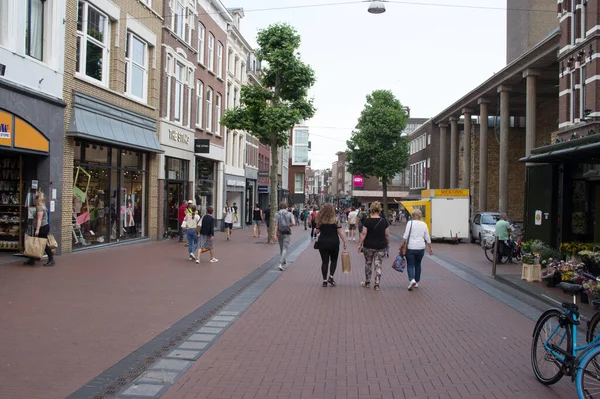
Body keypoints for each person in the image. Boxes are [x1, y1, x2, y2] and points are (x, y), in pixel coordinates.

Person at [357, 201, 389, 291]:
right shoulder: (384, 221)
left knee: (368, 263)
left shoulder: (367, 221)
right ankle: (377, 284)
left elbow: (363, 234)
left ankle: (367, 282)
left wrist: (360, 244)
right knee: (378, 264)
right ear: (379, 210)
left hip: (368, 246)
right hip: (381, 246)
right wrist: (388, 245)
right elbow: (387, 235)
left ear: (371, 209)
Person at [400, 209, 433, 291]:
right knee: (418, 264)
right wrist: (430, 248)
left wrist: (402, 244)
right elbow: (427, 237)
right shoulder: (424, 224)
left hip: (411, 247)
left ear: (413, 215)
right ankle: (417, 281)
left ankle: (412, 279)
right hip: (421, 247)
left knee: (410, 264)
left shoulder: (410, 223)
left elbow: (406, 235)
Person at [315, 204, 347, 287]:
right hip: (334, 242)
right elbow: (340, 232)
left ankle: (324, 280)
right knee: (334, 260)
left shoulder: (320, 220)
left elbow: (317, 232)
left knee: (325, 261)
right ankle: (331, 277)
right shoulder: (336, 220)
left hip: (323, 242)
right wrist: (344, 241)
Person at [24, 193, 55, 267]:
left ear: (37, 200)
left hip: (42, 227)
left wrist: (37, 229)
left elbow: (39, 219)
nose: (34, 201)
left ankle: (51, 260)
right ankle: (32, 259)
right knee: (36, 243)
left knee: (43, 244)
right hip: (44, 227)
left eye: (35, 199)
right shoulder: (43, 207)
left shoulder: (39, 208)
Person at [273, 201, 295, 271]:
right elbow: (293, 223)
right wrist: (289, 225)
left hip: (279, 232)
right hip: (287, 232)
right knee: (285, 248)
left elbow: (276, 225)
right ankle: (280, 263)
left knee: (281, 248)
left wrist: (274, 234)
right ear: (286, 207)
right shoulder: (289, 214)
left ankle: (284, 261)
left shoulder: (277, 214)